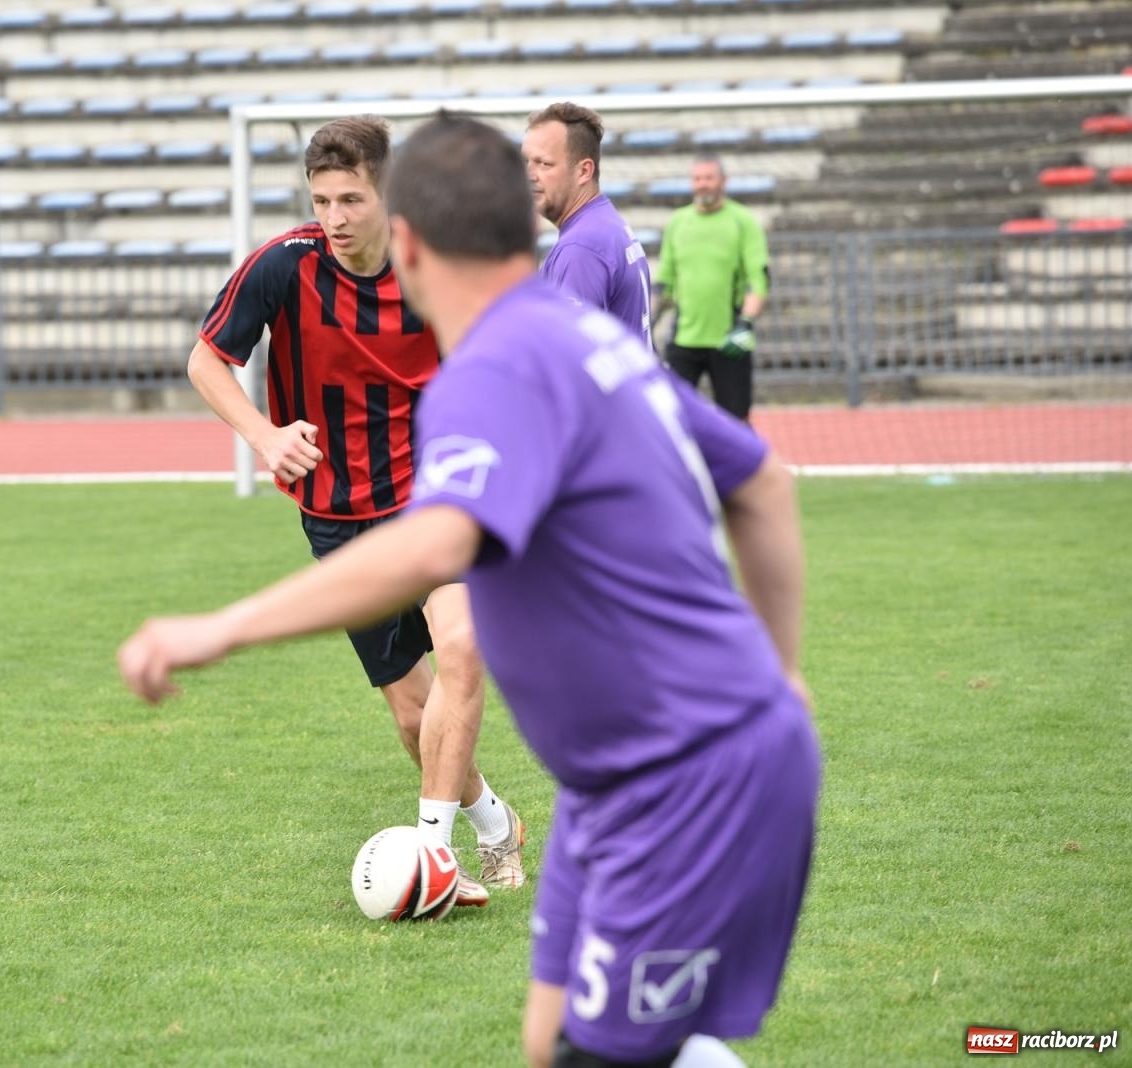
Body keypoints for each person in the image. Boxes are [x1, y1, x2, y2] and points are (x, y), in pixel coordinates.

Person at [121, 114, 819, 1068]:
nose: (335, 221)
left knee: (611, 1054)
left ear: (403, 235)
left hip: (680, 775)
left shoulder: (491, 368)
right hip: (610, 786)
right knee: (548, 1042)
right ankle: (488, 831)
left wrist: (221, 630)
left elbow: (439, 541)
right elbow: (766, 485)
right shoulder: (574, 336)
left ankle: (447, 844)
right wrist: (783, 675)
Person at [183, 116, 525, 904]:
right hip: (338, 519)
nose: (334, 218)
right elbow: (207, 360)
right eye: (322, 200)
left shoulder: (431, 267)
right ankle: (495, 824)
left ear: (389, 194)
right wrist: (265, 436)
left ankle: (434, 857)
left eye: (352, 199)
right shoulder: (284, 267)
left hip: (430, 502)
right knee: (413, 720)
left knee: (463, 649)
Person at [522, 103, 654, 349]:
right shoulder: (604, 222)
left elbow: (572, 362)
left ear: (584, 171)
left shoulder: (581, 247)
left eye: (544, 164)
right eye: (527, 162)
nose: (530, 174)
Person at [653, 153, 770, 421]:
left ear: (723, 182)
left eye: (708, 178)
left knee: (736, 424)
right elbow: (664, 283)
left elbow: (758, 279)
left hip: (730, 340)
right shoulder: (678, 222)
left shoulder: (743, 221)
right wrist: (649, 321)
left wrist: (746, 323)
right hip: (684, 339)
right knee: (672, 418)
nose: (702, 184)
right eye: (697, 178)